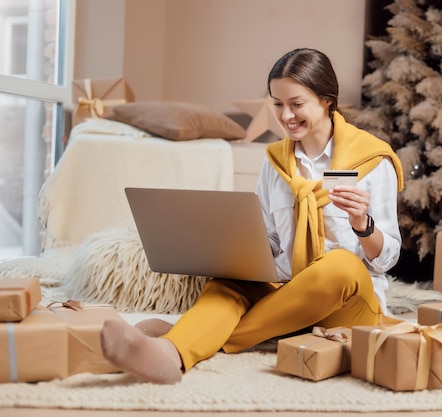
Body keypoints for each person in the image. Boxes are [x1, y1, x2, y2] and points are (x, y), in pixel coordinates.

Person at [100, 47, 405, 384]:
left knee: (340, 266)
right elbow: (270, 241)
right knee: (227, 282)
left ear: (327, 100)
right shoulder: (275, 162)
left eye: (296, 104)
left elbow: (386, 259)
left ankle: (189, 336)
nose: (286, 115)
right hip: (287, 300)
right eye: (277, 103)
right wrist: (235, 253)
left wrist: (364, 226)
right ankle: (170, 354)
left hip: (347, 307)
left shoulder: (374, 161)